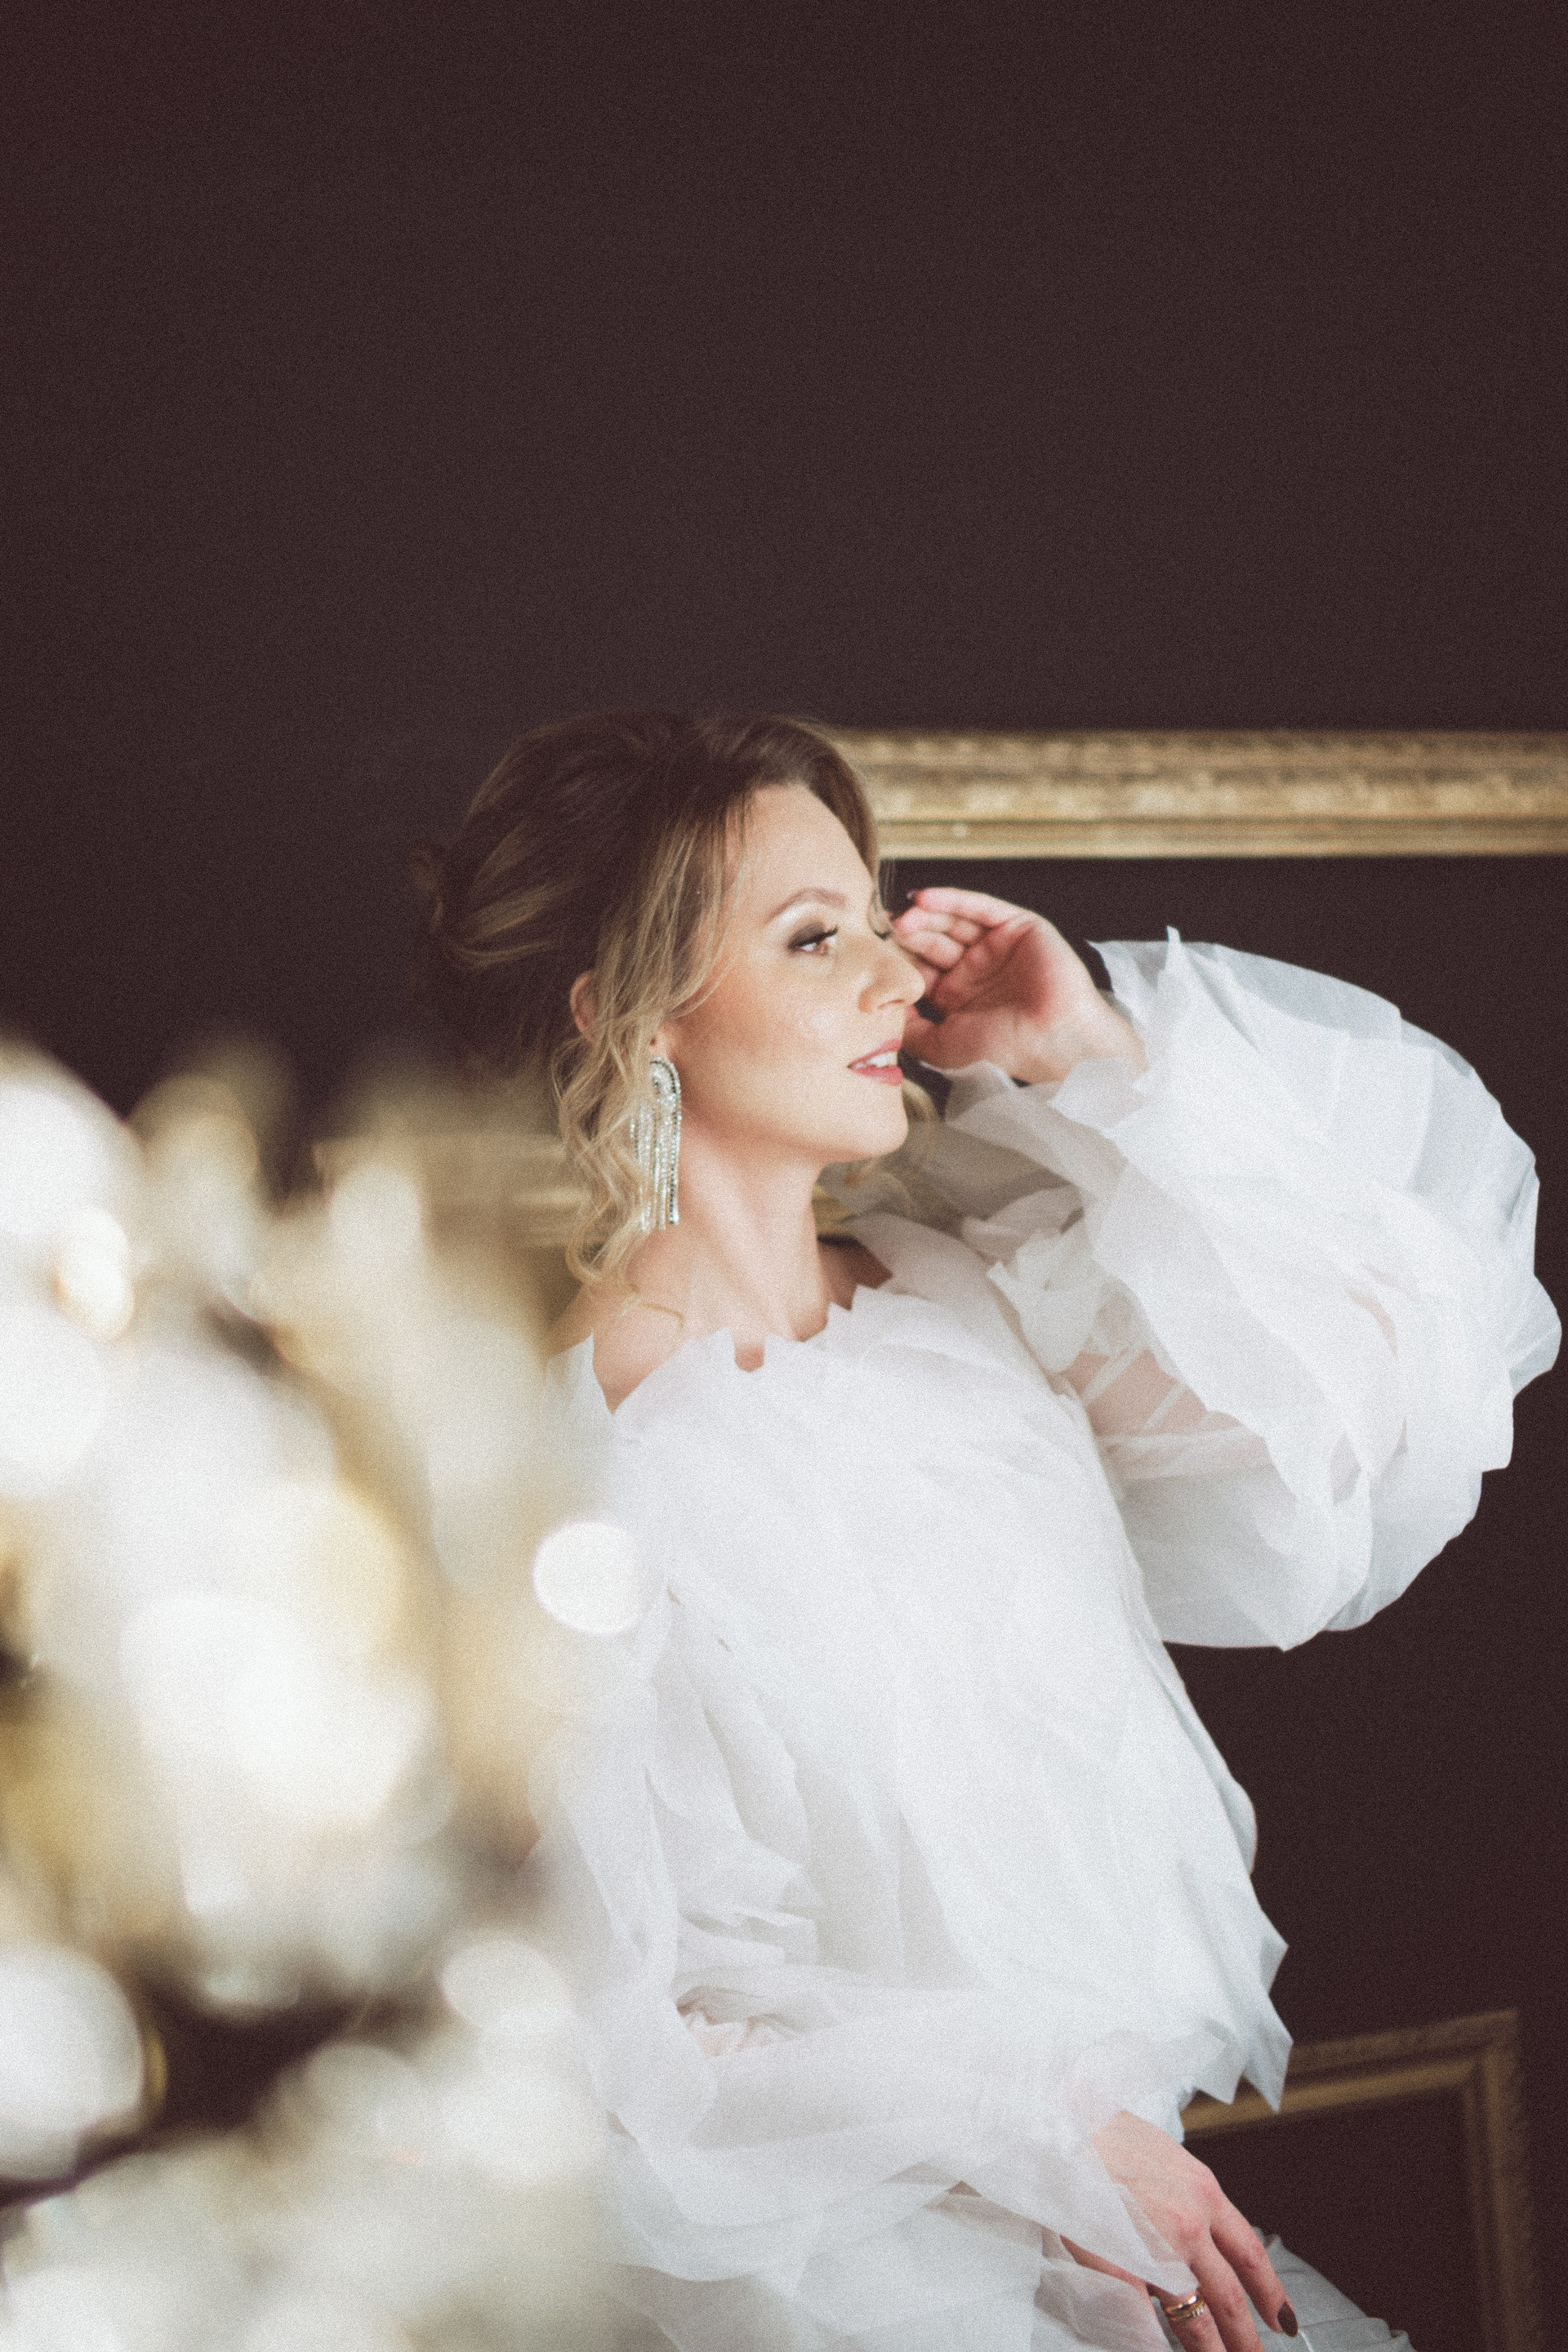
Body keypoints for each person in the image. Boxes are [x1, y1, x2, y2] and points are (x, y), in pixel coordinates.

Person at [412, 712, 1557, 2352]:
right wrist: (1047, 2133)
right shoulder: (578, 1482)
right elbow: (622, 2047)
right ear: (632, 1014)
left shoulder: (958, 1300)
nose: (892, 976)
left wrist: (1082, 1050)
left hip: (1124, 2235)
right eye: (816, 939)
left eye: (878, 920)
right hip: (861, 2278)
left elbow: (1363, 1387)